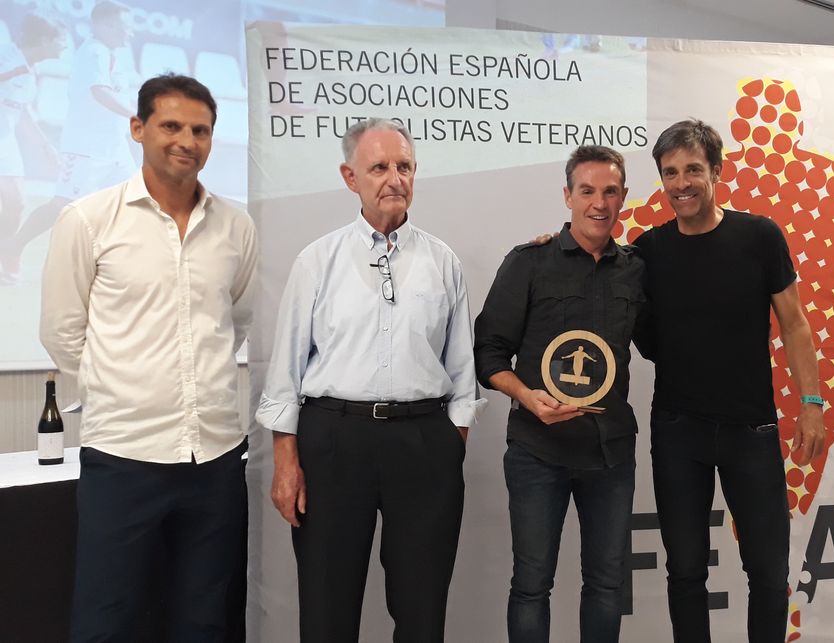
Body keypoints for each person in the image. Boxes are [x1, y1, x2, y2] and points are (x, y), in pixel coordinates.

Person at [39, 73, 257, 642]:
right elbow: (62, 331)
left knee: (205, 619)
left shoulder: (236, 226)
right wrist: (121, 389)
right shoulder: (89, 220)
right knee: (106, 620)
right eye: (172, 126)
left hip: (214, 457)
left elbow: (235, 321)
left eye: (201, 130)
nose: (187, 140)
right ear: (138, 128)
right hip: (123, 456)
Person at [257, 117, 484, 643]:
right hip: (335, 440)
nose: (394, 179)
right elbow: (285, 370)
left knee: (422, 606)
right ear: (350, 177)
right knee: (327, 605)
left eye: (404, 166)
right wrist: (287, 463)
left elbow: (461, 371)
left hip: (423, 441)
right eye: (379, 167)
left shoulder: (442, 261)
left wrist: (449, 444)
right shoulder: (318, 261)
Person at [633, 119, 825, 643]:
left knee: (768, 572)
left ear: (716, 171)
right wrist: (549, 244)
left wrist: (811, 403)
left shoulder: (759, 237)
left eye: (693, 169)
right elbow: (595, 276)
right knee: (685, 572)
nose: (681, 183)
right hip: (678, 432)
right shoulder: (648, 251)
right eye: (670, 173)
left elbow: (795, 323)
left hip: (751, 431)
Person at [474, 145, 646, 643]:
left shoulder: (636, 269)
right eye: (587, 191)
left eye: (610, 192)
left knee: (608, 586)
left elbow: (663, 337)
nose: (599, 203)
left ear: (623, 197)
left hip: (610, 455)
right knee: (531, 587)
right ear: (567, 196)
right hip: (537, 452)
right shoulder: (528, 262)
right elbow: (489, 354)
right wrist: (527, 397)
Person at [3, 1, 138, 275]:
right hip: (86, 150)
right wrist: (140, 116)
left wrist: (43, 145)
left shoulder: (109, 55)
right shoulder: (93, 53)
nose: (130, 32)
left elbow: (22, 111)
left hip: (114, 149)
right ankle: (12, 248)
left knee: (133, 202)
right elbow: (99, 91)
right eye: (125, 26)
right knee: (60, 205)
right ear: (105, 25)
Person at [0, 13, 67, 281]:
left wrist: (44, 145)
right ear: (43, 41)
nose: (64, 45)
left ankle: (7, 254)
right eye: (60, 40)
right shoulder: (7, 58)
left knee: (16, 201)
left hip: (5, 140)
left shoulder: (30, 69)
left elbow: (21, 111)